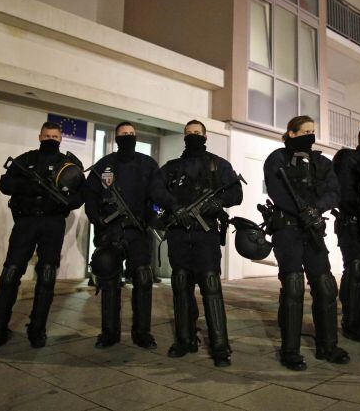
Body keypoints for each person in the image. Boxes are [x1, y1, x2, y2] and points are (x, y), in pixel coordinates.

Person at [0, 121, 85, 350]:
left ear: (61, 139)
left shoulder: (68, 164)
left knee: (47, 274)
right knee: (10, 273)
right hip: (26, 222)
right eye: (47, 135)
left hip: (52, 223)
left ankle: (37, 329)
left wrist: (66, 200)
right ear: (40, 136)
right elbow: (5, 184)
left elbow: (81, 194)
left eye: (55, 136)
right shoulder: (25, 159)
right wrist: (30, 186)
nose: (51, 139)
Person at [265, 115, 347, 371]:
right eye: (305, 131)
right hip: (287, 228)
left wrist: (315, 210)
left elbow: (334, 191)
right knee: (293, 286)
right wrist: (301, 211)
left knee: (324, 286)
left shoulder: (321, 161)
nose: (310, 135)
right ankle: (290, 350)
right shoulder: (277, 158)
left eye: (313, 131)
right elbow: (277, 192)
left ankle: (328, 345)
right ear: (291, 133)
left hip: (312, 229)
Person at [159, 120, 243, 367]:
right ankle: (185, 339)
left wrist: (218, 203)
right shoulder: (172, 168)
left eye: (197, 132)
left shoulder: (219, 165)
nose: (193, 136)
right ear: (184, 136)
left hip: (206, 234)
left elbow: (236, 193)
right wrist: (175, 207)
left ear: (205, 136)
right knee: (181, 283)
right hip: (179, 233)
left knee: (210, 284)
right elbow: (155, 189)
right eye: (189, 133)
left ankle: (220, 345)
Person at [84, 121, 169, 350]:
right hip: (110, 231)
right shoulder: (105, 165)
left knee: (143, 278)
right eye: (123, 134)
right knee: (109, 278)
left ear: (136, 136)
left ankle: (142, 333)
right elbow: (90, 195)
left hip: (138, 231)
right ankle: (109, 333)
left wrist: (153, 218)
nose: (128, 136)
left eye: (131, 134)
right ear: (117, 136)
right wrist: (97, 219)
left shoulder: (147, 164)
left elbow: (157, 197)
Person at [332, 124, 360, 341]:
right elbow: (345, 192)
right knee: (357, 267)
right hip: (352, 223)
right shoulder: (348, 157)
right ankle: (351, 321)